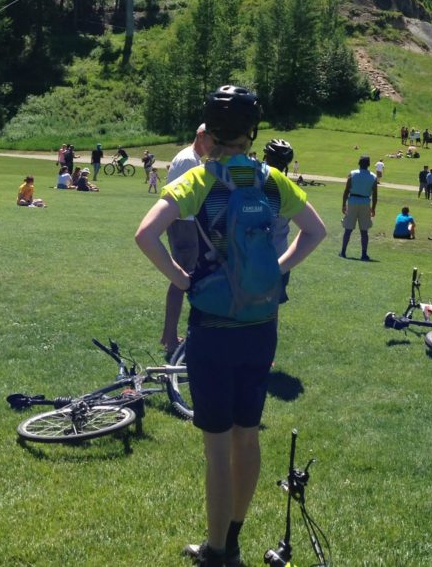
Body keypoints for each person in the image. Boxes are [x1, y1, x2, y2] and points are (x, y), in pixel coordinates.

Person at [131, 86, 324, 567]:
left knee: (216, 444)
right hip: (261, 324)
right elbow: (316, 231)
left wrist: (181, 278)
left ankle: (216, 552)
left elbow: (145, 234)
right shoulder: (274, 180)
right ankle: (232, 539)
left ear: (211, 131)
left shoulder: (200, 180)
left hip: (213, 326)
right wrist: (277, 269)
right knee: (248, 434)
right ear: (252, 132)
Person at [158, 123, 213, 356]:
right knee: (181, 278)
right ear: (201, 136)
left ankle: (170, 335)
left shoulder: (188, 158)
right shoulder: (190, 161)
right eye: (212, 139)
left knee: (182, 277)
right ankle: (170, 337)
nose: (215, 145)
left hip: (184, 222)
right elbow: (189, 200)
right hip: (185, 223)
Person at [337, 156, 378, 261]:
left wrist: (343, 204)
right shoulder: (373, 177)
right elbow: (375, 195)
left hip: (353, 201)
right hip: (365, 202)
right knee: (364, 231)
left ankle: (343, 252)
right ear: (368, 164)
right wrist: (373, 208)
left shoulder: (352, 174)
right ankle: (364, 254)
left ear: (359, 163)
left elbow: (346, 190)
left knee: (348, 229)